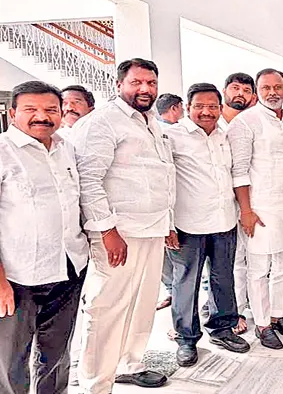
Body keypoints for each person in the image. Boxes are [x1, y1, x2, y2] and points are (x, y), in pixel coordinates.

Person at [73, 58, 176, 393]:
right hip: (119, 233)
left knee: (142, 304)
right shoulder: (102, 121)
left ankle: (130, 364)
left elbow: (162, 173)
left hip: (152, 227)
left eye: (151, 83)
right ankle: (95, 384)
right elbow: (89, 180)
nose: (145, 89)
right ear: (119, 85)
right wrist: (107, 231)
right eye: (136, 82)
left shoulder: (151, 120)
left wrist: (168, 223)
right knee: (108, 308)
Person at [0, 81, 89, 394]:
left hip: (68, 268)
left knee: (57, 354)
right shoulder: (3, 152)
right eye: (31, 110)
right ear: (13, 114)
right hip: (17, 277)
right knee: (11, 360)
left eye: (51, 109)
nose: (42, 116)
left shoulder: (66, 148)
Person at [165, 83, 250, 368]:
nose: (206, 112)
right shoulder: (172, 136)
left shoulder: (225, 136)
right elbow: (164, 181)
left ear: (220, 107)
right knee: (185, 282)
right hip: (186, 224)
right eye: (200, 106)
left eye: (213, 106)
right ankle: (186, 338)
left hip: (224, 220)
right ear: (187, 107)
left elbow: (236, 173)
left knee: (223, 278)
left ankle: (222, 329)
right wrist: (167, 224)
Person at [228, 68, 283, 350]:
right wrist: (246, 211)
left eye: (278, 87)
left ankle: (277, 315)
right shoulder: (245, 122)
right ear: (257, 91)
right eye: (266, 88)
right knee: (259, 269)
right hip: (260, 207)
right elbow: (238, 170)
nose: (273, 92)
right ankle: (262, 324)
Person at [218, 72, 256, 324]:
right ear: (225, 91)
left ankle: (239, 309)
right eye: (235, 88)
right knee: (223, 263)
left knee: (245, 258)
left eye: (246, 90)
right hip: (217, 203)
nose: (240, 94)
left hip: (247, 202)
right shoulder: (212, 122)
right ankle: (227, 311)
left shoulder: (252, 122)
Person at [154, 93, 184, 312]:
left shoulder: (161, 131)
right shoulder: (164, 133)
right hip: (170, 206)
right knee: (177, 257)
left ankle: (173, 292)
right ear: (176, 108)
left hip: (173, 206)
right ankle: (175, 294)